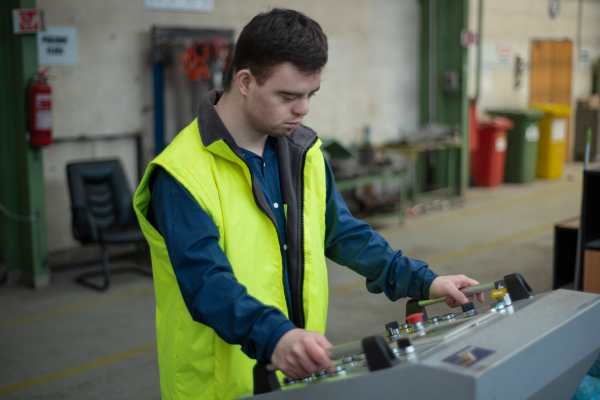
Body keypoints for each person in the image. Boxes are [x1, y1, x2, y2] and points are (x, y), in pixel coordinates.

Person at [133, 8, 484, 400]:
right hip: (219, 387)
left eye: (310, 94)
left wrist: (422, 280)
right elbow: (205, 283)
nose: (303, 109)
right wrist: (277, 336)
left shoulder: (304, 153)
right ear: (245, 81)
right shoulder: (182, 173)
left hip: (296, 373)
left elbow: (345, 234)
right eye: (288, 96)